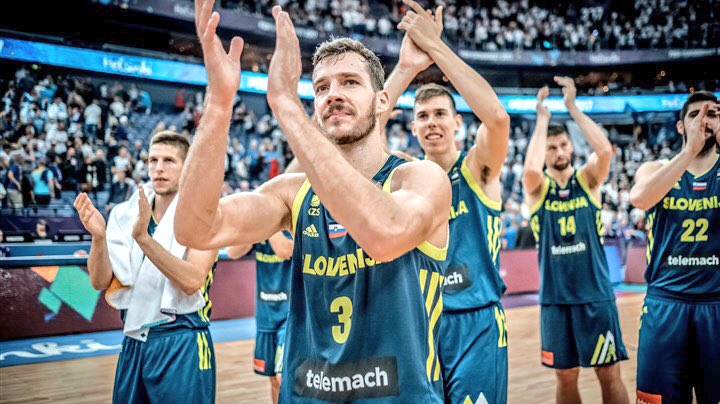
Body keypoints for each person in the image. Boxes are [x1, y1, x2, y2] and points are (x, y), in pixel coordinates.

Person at [175, 2, 451, 402]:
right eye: (321, 88)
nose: (333, 95)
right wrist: (218, 104)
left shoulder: (421, 178)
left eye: (349, 82)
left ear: (382, 101)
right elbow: (196, 229)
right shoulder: (294, 192)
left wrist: (285, 103)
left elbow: (385, 234)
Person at [381, 1, 511, 402]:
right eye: (422, 116)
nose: (432, 122)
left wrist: (436, 48)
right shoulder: (404, 174)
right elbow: (363, 129)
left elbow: (498, 118)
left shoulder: (477, 168)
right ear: (413, 127)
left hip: (477, 322)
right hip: (421, 323)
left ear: (457, 122)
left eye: (440, 113)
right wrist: (405, 69)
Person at [73, 131, 218, 403]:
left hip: (182, 339)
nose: (158, 168)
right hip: (134, 338)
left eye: (169, 161)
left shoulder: (204, 216)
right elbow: (99, 281)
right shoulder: (125, 214)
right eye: (153, 160)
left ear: (188, 167)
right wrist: (99, 237)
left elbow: (191, 281)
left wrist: (144, 239)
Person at [522, 79, 629, 404]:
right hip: (556, 300)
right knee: (565, 377)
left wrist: (572, 107)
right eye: (551, 148)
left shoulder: (587, 180)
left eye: (563, 145)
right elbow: (530, 169)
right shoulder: (538, 190)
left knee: (608, 373)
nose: (558, 152)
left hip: (595, 295)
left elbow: (605, 150)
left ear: (571, 147)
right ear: (544, 152)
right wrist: (542, 119)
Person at [629, 92, 720, 403]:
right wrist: (689, 151)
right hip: (665, 303)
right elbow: (640, 198)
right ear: (680, 126)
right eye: (695, 115)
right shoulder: (655, 167)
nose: (704, 120)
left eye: (712, 114)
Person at [227, 232, 293, 404]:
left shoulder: (291, 224)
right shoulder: (260, 230)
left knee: (283, 377)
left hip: (290, 315)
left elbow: (285, 251)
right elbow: (233, 253)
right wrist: (252, 227)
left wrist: (268, 224)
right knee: (273, 379)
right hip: (266, 316)